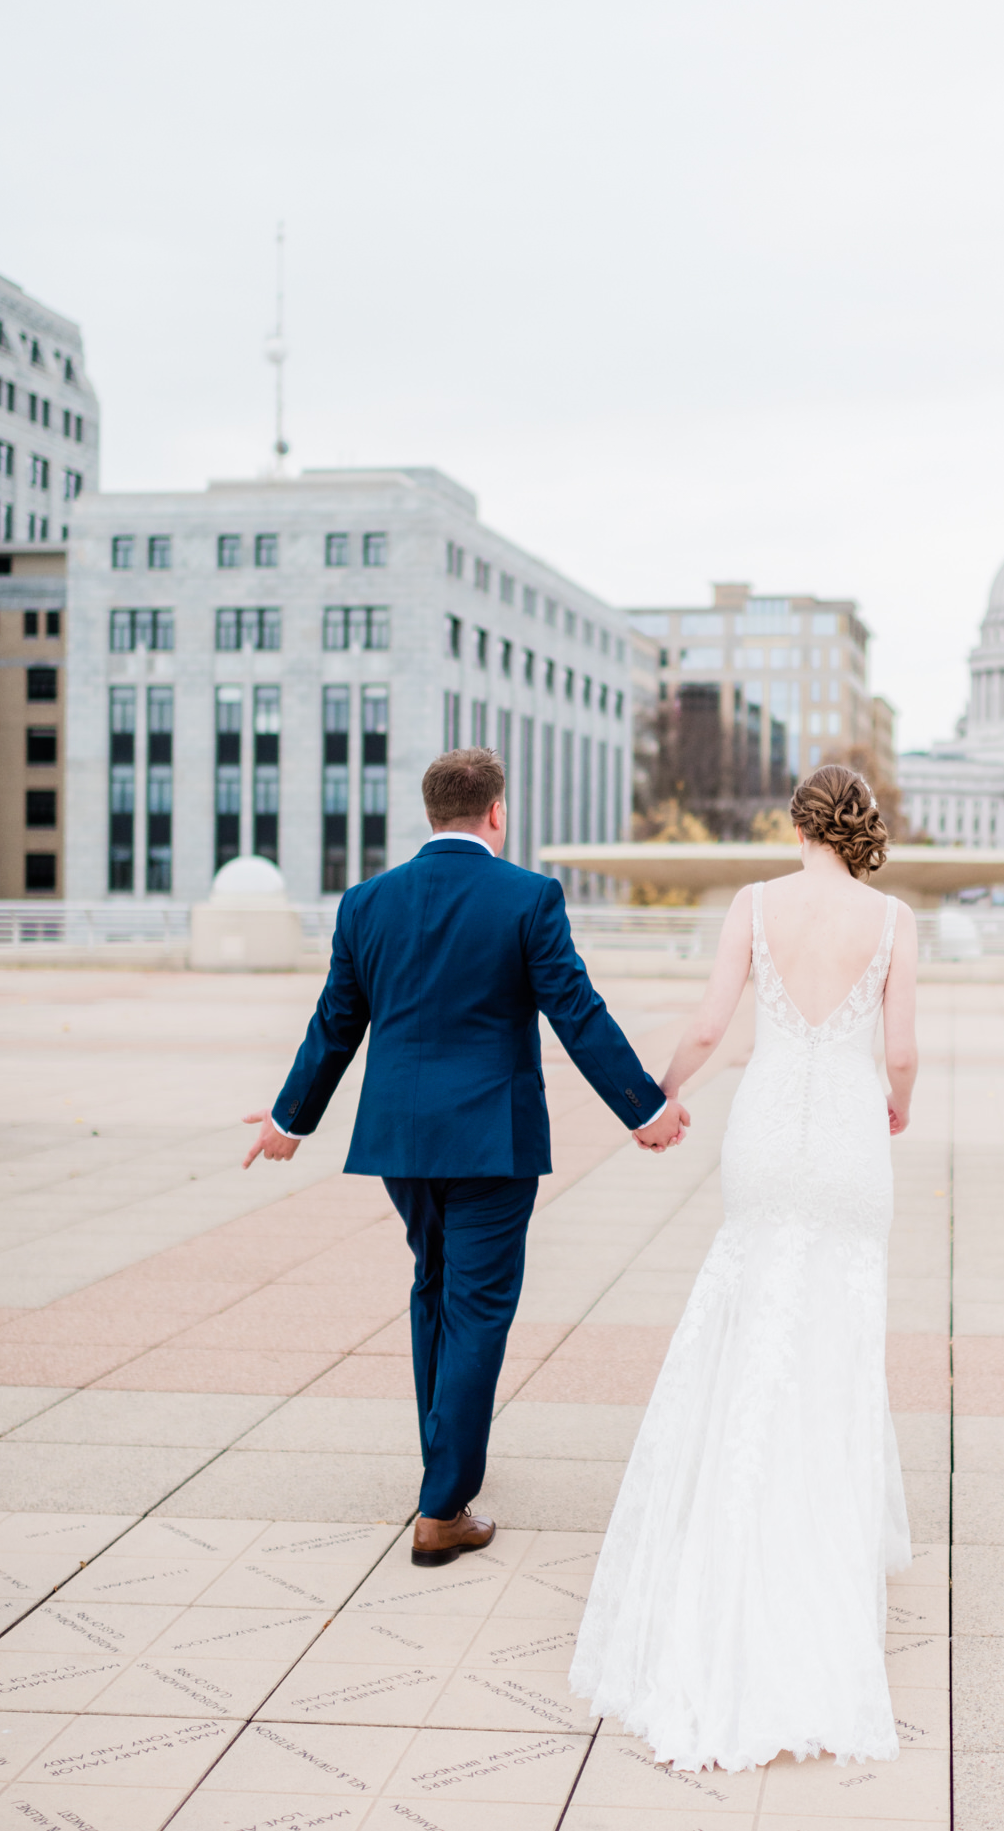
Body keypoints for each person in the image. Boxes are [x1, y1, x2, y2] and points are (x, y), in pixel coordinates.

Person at [241, 747, 690, 1566]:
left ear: (429, 813)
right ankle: (443, 1508)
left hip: (401, 1144)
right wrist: (646, 1108)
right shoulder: (527, 897)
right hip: (492, 1141)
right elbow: (576, 1014)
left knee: (433, 1287)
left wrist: (288, 1119)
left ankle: (441, 1464)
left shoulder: (368, 902)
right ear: (497, 812)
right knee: (477, 1305)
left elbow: (335, 1023)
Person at [570, 762, 918, 1773]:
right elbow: (897, 1051)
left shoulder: (755, 905)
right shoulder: (894, 919)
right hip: (847, 1134)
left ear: (798, 825)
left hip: (768, 1131)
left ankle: (732, 1517)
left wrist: (659, 1096)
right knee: (837, 1327)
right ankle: (820, 1538)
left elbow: (714, 1026)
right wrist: (895, 1102)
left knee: (750, 1306)